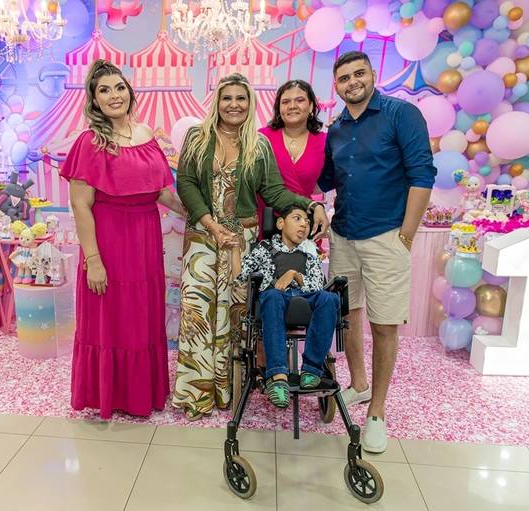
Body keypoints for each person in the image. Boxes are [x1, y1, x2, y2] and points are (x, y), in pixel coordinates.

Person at [172, 73, 330, 421]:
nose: (234, 104)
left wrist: (310, 204)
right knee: (198, 312)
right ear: (217, 102)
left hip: (240, 242)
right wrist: (211, 225)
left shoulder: (259, 146)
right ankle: (196, 395)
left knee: (235, 314)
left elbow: (274, 192)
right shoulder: (197, 137)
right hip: (203, 238)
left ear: (250, 103)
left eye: (240, 98)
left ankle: (225, 390)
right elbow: (185, 183)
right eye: (227, 98)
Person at [318, 51, 436, 453]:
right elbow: (324, 180)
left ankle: (377, 413)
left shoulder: (401, 114)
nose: (352, 82)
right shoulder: (336, 128)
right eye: (344, 78)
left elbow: (422, 174)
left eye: (359, 74)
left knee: (384, 325)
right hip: (343, 235)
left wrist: (406, 235)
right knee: (347, 317)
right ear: (336, 86)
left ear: (372, 74)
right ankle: (359, 385)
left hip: (386, 236)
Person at [61, 59, 184, 419]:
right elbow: (80, 205)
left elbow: (161, 192)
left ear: (130, 92)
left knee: (140, 317)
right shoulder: (89, 142)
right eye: (104, 90)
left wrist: (199, 215)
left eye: (119, 87)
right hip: (109, 240)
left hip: (145, 239)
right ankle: (109, 395)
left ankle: (140, 393)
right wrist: (93, 260)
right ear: (94, 100)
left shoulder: (145, 135)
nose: (114, 95)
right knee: (110, 318)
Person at [232, 204, 338, 408]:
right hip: (275, 298)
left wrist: (293, 275)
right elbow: (240, 276)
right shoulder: (264, 248)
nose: (304, 225)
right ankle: (278, 376)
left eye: (307, 222)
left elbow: (317, 285)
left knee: (330, 298)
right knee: (272, 295)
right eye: (297, 219)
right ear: (281, 223)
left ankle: (311, 370)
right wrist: (235, 248)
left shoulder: (310, 249)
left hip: (306, 297)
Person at [258, 79, 327, 231]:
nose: (292, 106)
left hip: (304, 222)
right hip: (266, 221)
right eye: (285, 102)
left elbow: (332, 179)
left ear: (311, 106)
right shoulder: (262, 137)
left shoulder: (324, 141)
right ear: (279, 108)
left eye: (300, 100)